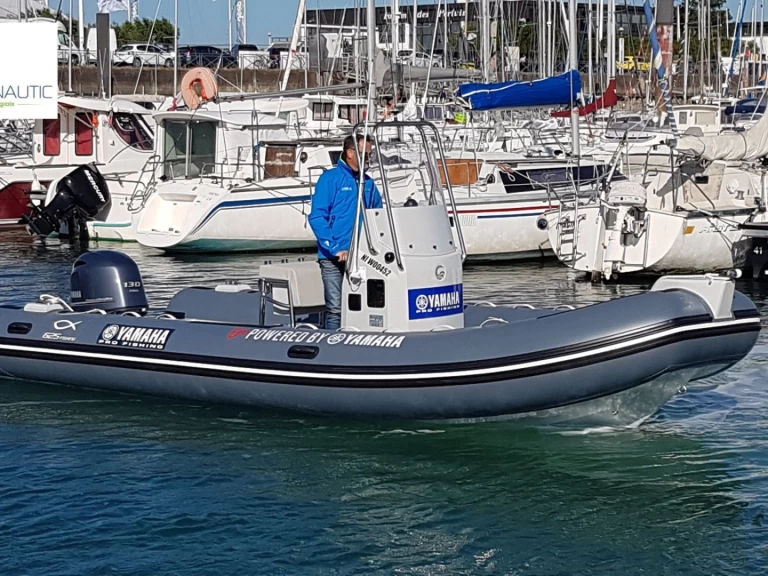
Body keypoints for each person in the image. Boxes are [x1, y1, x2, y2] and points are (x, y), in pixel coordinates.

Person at [308, 134, 383, 330]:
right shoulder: (330, 179)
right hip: (334, 257)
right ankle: (333, 347)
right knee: (336, 308)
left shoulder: (368, 183)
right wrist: (334, 248)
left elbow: (379, 215)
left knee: (364, 306)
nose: (369, 158)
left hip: (362, 257)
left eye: (370, 154)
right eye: (366, 154)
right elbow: (317, 217)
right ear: (350, 153)